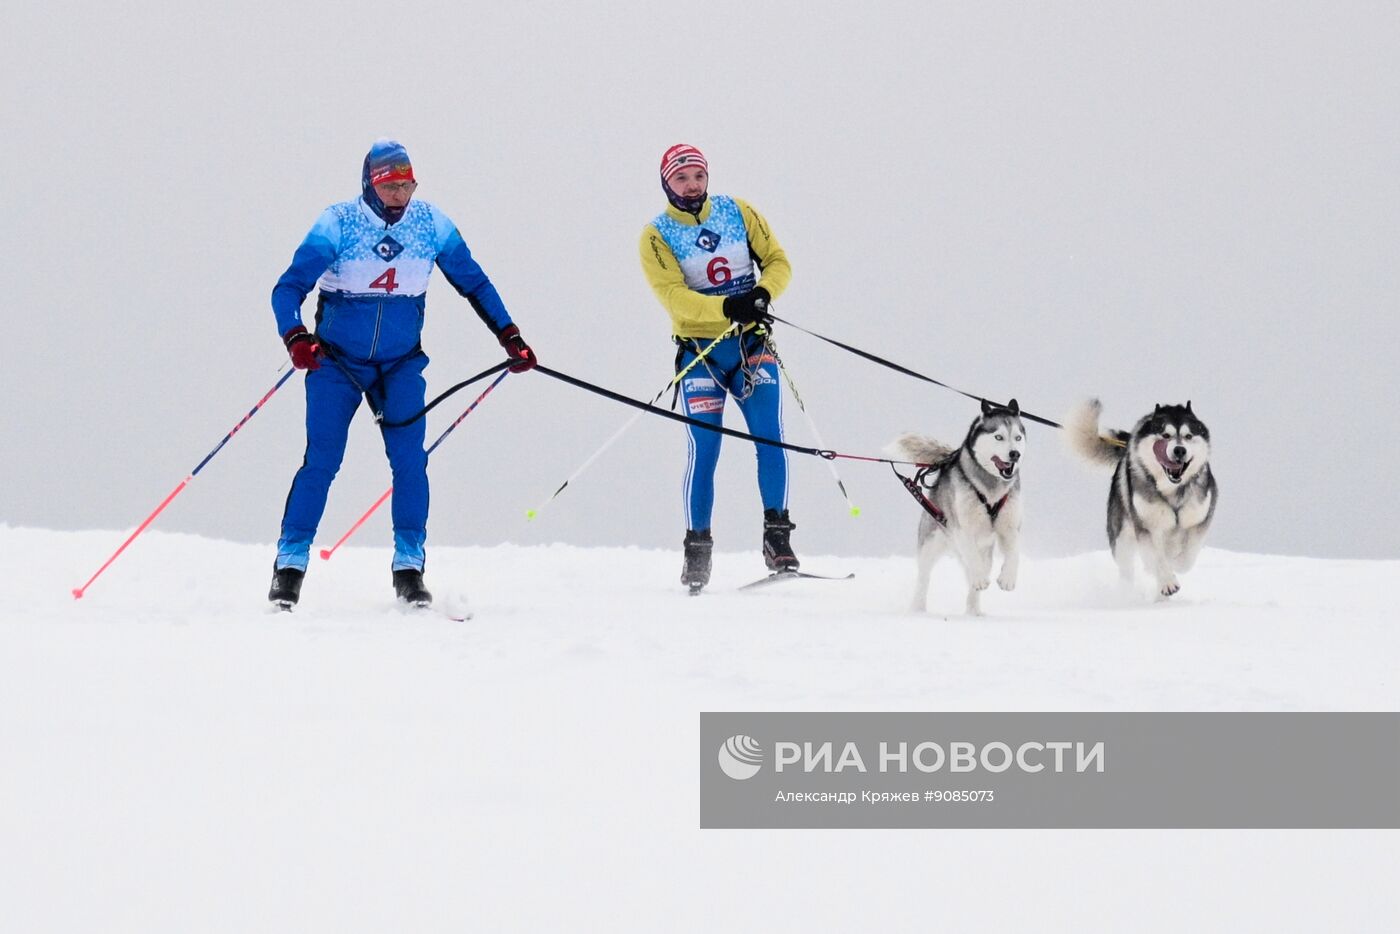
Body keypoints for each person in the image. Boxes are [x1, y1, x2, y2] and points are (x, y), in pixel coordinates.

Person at [267, 139, 536, 609]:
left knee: (410, 461)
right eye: (390, 185)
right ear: (370, 184)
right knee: (323, 461)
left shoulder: (431, 223)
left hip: (400, 363)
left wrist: (509, 335)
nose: (400, 194)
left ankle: (409, 569)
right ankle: (289, 567)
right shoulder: (338, 222)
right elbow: (287, 288)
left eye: (407, 184)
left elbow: (474, 282)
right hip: (336, 363)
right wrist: (295, 336)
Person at [639, 143, 797, 593]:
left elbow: (779, 261)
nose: (692, 186)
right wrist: (730, 306)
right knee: (705, 450)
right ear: (667, 182)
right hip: (701, 355)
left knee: (771, 437)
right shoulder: (656, 235)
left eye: (698, 176)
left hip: (751, 348)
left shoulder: (738, 211)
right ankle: (697, 550)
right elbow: (674, 298)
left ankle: (778, 538)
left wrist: (763, 293)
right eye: (681, 178)